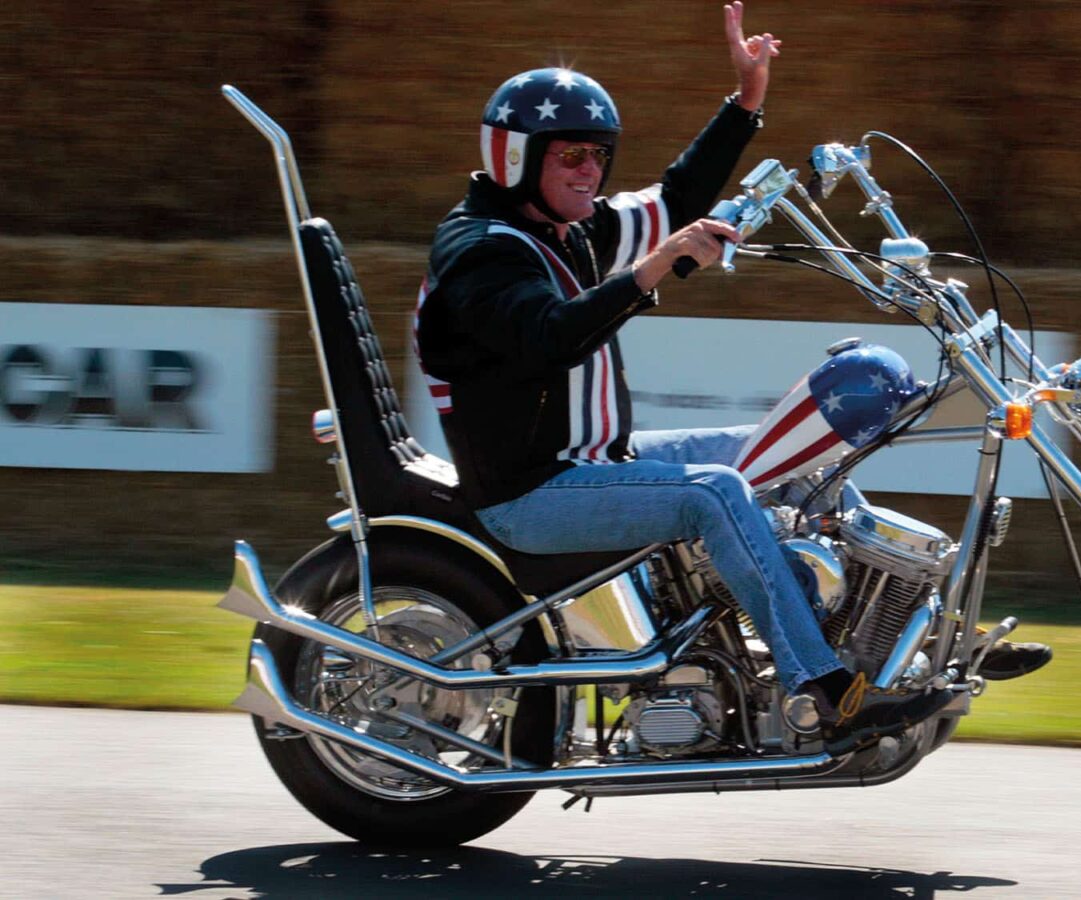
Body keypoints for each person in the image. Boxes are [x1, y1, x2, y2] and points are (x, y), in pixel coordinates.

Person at [414, 4, 1047, 750]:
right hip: (531, 494)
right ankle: (822, 688)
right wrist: (654, 268)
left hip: (597, 461)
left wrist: (745, 102)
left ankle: (914, 642)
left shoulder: (566, 228)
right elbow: (548, 338)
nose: (591, 170)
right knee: (715, 492)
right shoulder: (482, 250)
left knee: (793, 454)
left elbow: (675, 200)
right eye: (571, 155)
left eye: (599, 155)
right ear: (516, 158)